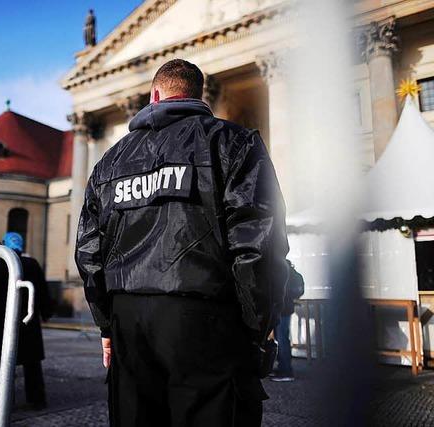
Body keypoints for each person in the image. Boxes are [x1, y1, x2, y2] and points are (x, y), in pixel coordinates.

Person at [75, 59, 289, 426]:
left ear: (154, 95)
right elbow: (258, 244)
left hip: (130, 321)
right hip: (208, 317)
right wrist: (258, 327)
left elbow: (90, 251)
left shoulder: (109, 162)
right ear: (199, 95)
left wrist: (107, 326)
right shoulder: (234, 143)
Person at [0, 232, 52, 410]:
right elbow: (43, 291)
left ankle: (4, 402)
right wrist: (46, 312)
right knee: (32, 364)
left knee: (3, 363)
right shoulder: (31, 264)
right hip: (27, 320)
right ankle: (37, 399)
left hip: (2, 320)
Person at [271, 260, 305, 382]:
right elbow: (298, 290)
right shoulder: (291, 271)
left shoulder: (280, 271)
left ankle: (285, 371)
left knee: (281, 339)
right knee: (282, 339)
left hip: (280, 309)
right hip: (284, 308)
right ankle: (283, 368)